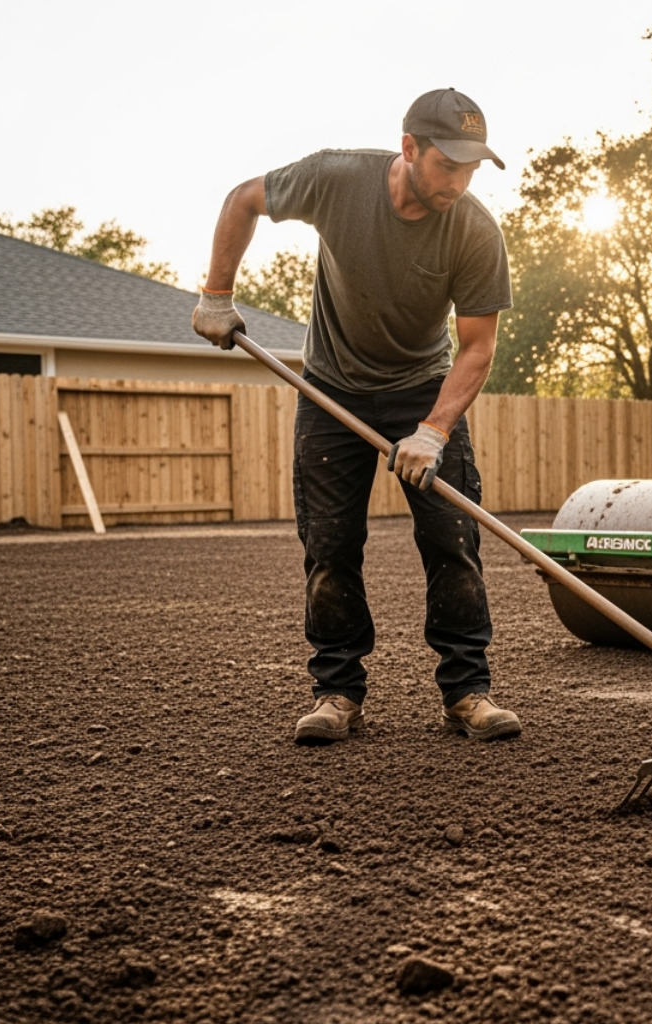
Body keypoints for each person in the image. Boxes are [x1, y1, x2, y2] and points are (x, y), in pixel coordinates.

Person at [191, 87, 520, 745]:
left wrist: (433, 429)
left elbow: (478, 348)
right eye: (448, 165)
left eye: (471, 169)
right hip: (330, 389)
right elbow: (243, 199)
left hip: (424, 389)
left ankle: (467, 693)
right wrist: (216, 295)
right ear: (409, 149)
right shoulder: (338, 179)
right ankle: (338, 691)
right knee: (329, 545)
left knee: (452, 541)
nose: (459, 181)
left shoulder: (475, 229)